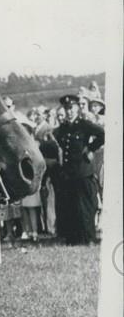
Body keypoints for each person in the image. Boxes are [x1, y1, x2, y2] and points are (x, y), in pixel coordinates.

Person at [51, 95, 105, 245]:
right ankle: (73, 238)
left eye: (72, 108)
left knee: (86, 206)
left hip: (82, 171)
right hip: (68, 173)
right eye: (67, 108)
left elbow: (103, 134)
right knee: (71, 207)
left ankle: (88, 238)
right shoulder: (62, 129)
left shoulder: (84, 125)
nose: (69, 111)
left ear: (77, 108)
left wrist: (91, 149)